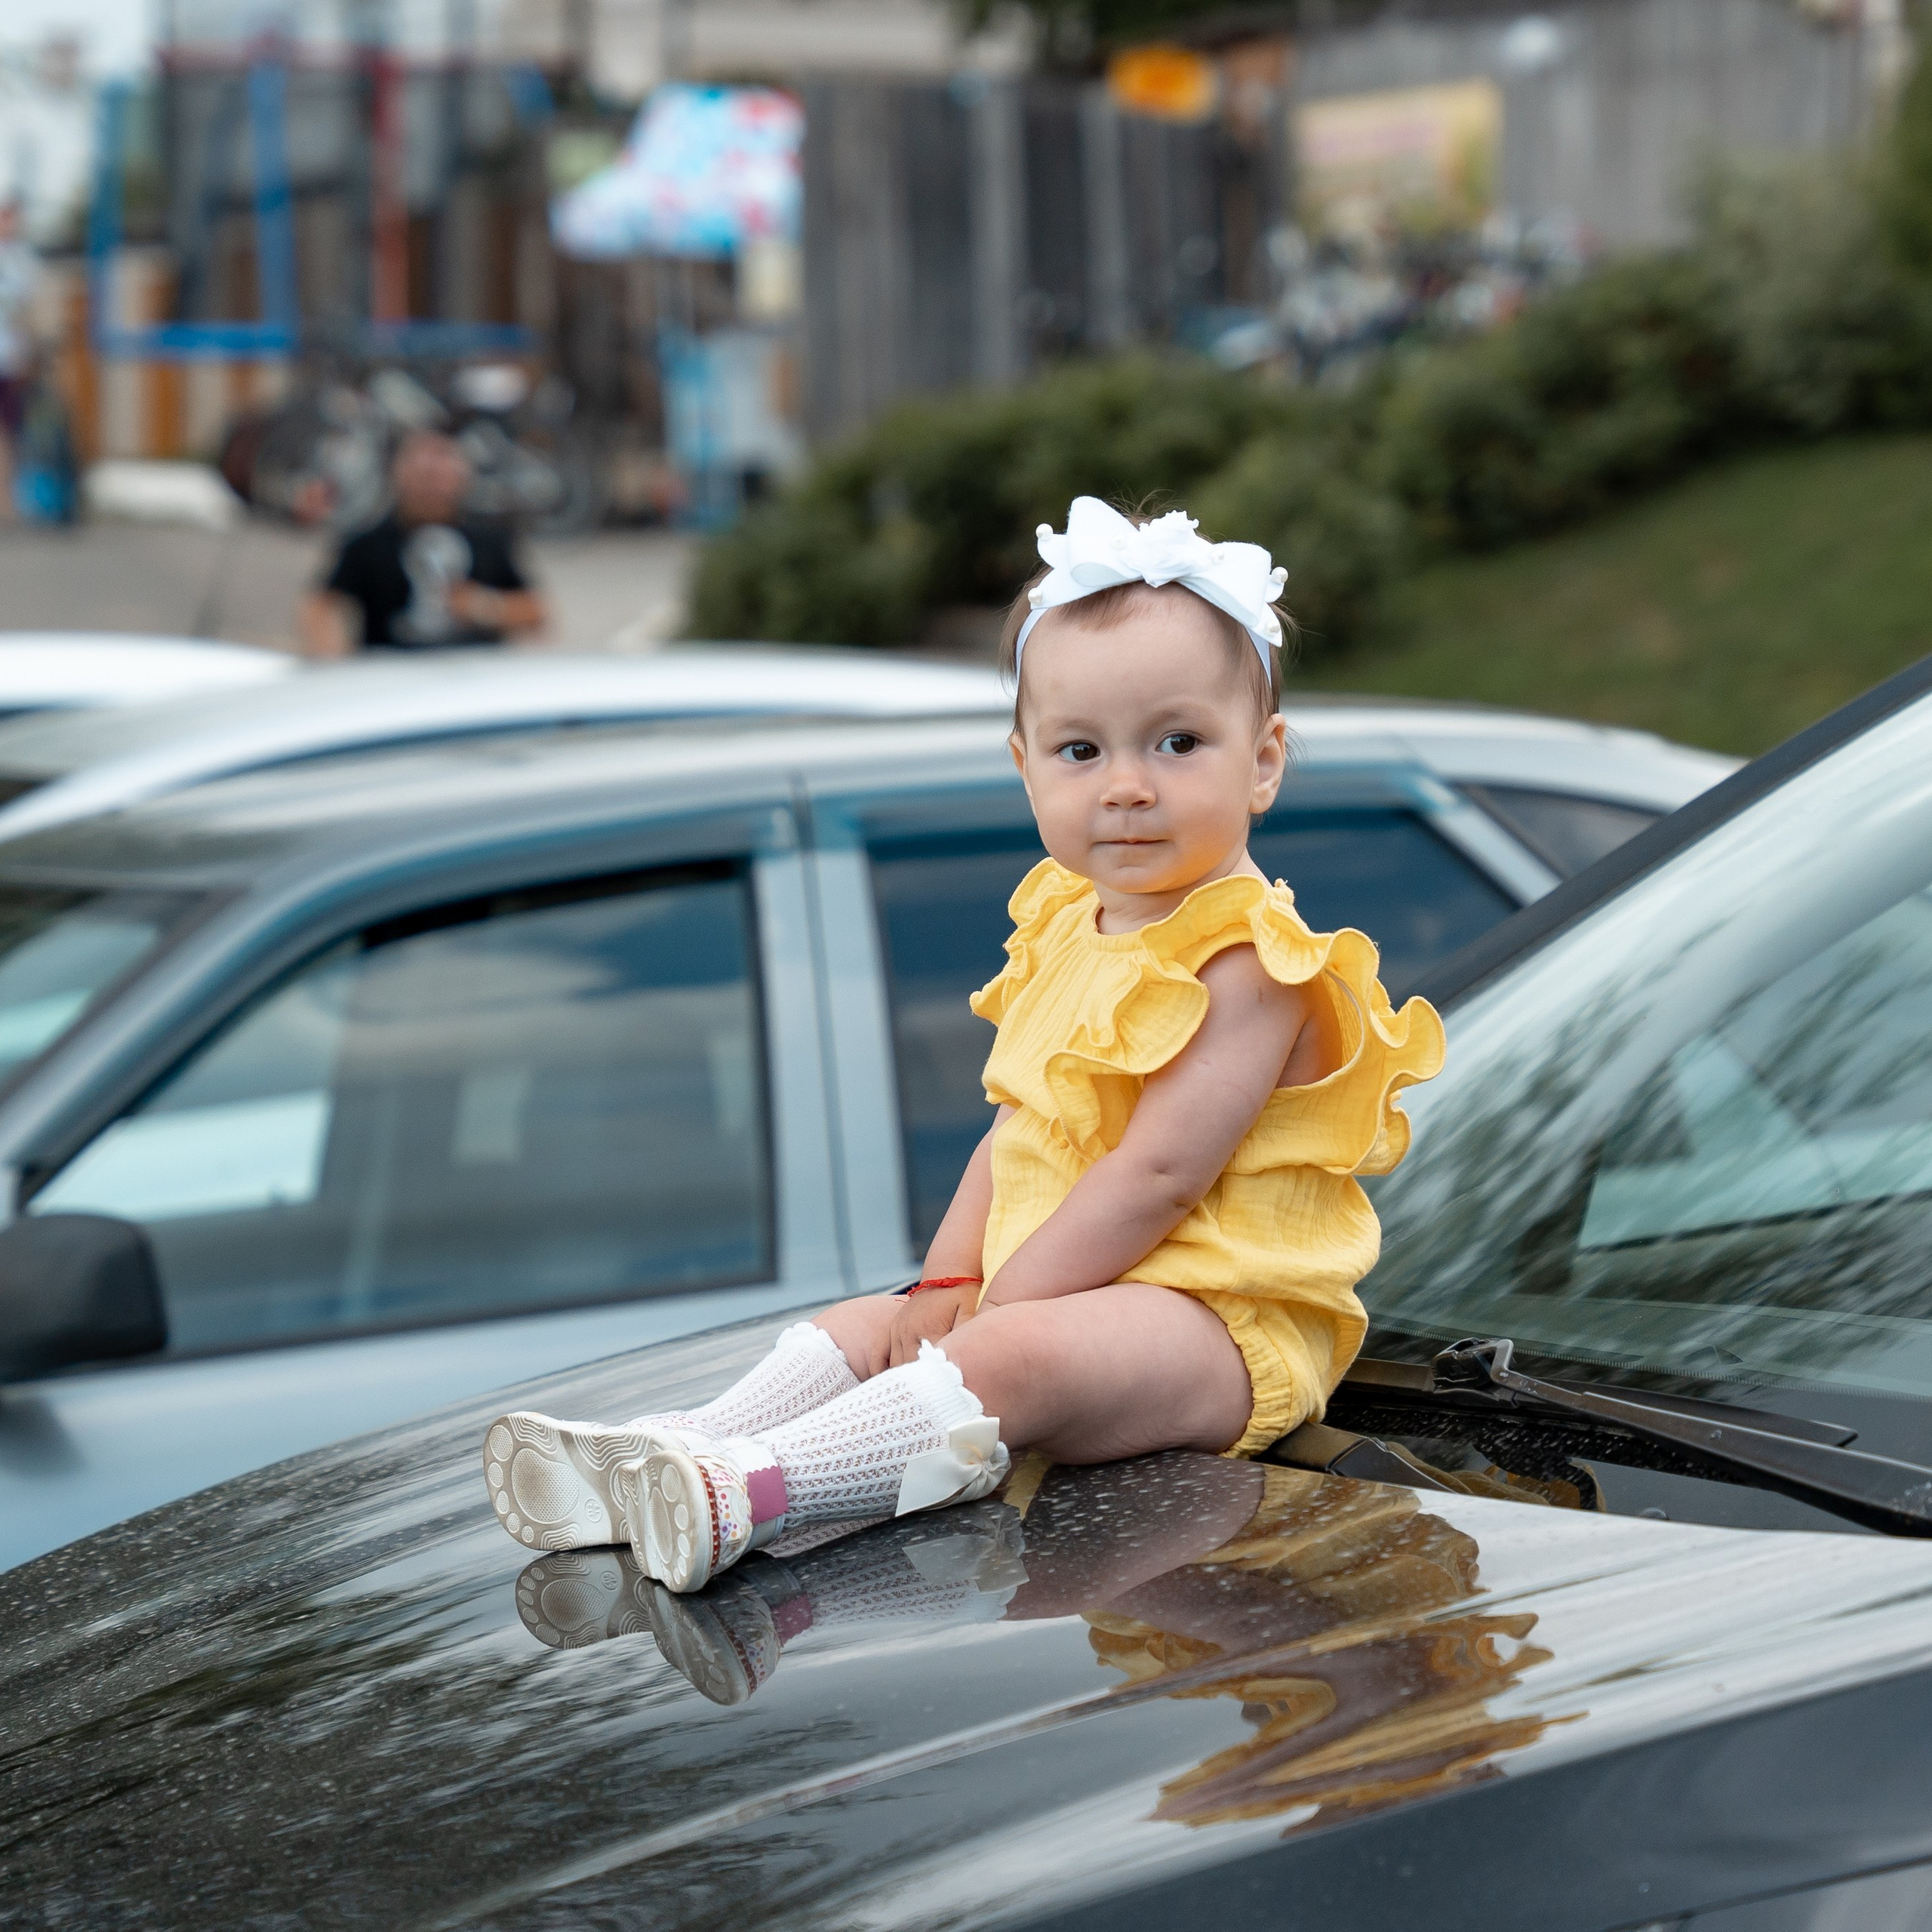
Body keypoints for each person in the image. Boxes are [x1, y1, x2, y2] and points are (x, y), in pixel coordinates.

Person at [482, 495, 1444, 1592]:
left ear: (1264, 761)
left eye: (1178, 742)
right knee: (870, 1322)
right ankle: (678, 1447)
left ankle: (749, 1493)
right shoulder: (1063, 924)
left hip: (1219, 1324)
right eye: (1081, 749)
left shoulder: (1249, 959)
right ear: (1027, 766)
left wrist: (1004, 1303)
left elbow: (1159, 1174)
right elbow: (1018, 1129)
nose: (1127, 783)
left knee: (1001, 1356)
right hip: (1077, 1289)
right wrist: (949, 1276)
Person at [297, 428, 548, 655]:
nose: (432, 484)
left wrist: (481, 606)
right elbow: (321, 604)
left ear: (463, 477)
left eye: (441, 471)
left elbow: (536, 612)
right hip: (393, 676)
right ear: (398, 473)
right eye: (424, 473)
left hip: (473, 678)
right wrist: (333, 656)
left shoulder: (489, 540)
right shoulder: (369, 543)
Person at [0, 200, 42, 526]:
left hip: (8, 361)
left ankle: (6, 502)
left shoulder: (22, 262)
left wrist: (27, 352)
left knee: (8, 433)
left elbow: (25, 314)